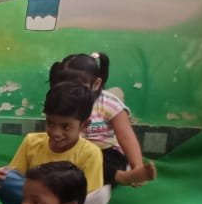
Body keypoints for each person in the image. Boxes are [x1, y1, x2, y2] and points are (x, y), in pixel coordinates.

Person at [0, 82, 109, 204]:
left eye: (66, 126)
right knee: (6, 178)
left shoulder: (91, 153)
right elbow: (16, 179)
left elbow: (88, 201)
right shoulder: (31, 141)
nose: (56, 133)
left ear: (84, 125)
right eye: (50, 123)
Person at [49, 52, 156, 188]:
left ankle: (123, 176)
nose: (72, 92)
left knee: (97, 164)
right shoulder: (60, 101)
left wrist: (137, 166)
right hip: (72, 150)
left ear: (96, 84)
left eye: (79, 86)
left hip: (105, 152)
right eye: (66, 86)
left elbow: (126, 136)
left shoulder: (108, 103)